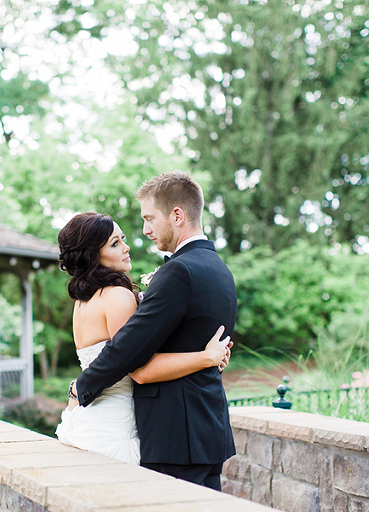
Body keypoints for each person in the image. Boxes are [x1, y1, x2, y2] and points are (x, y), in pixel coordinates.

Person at [69, 171, 237, 490]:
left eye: (149, 218)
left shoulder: (179, 272)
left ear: (176, 215)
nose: (145, 229)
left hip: (174, 434)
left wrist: (81, 386)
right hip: (206, 426)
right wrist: (209, 356)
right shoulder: (219, 268)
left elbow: (131, 357)